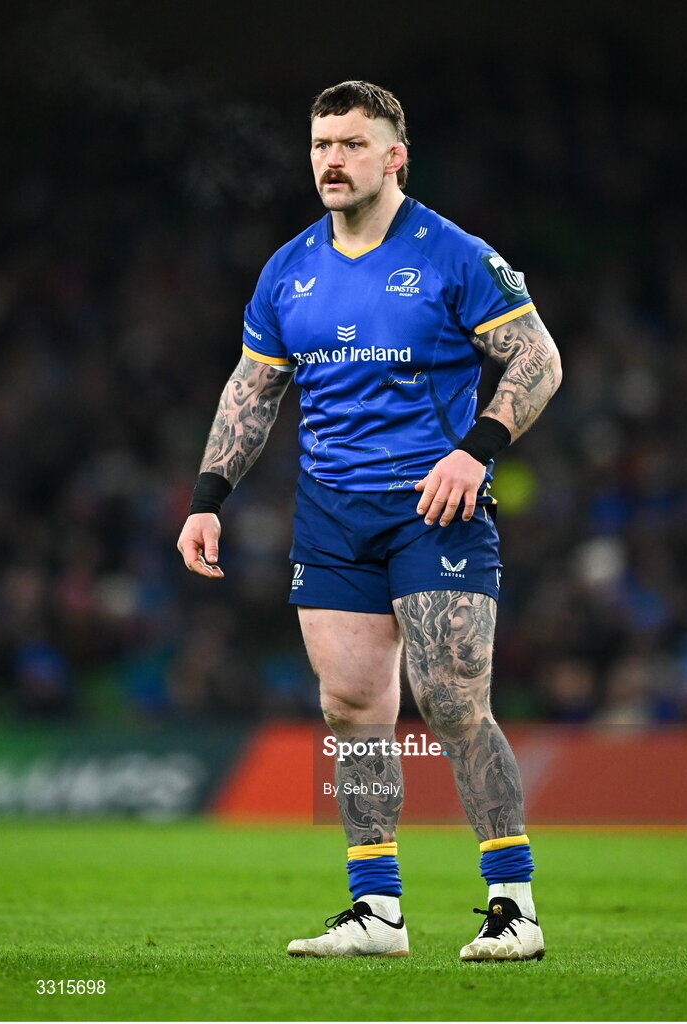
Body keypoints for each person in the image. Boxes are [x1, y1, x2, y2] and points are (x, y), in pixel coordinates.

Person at [177, 80, 562, 961]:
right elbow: (252, 391)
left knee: (455, 704)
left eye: (352, 143)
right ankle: (376, 910)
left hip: (435, 504)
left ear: (395, 155)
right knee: (351, 711)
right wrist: (207, 498)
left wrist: (477, 448)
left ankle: (513, 906)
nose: (331, 159)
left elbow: (537, 357)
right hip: (332, 514)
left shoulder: (453, 254)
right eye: (320, 144)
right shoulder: (289, 267)